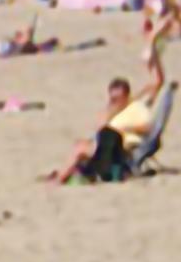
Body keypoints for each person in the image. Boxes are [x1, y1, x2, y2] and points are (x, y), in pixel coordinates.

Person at [47, 46, 166, 183]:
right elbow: (99, 128)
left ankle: (58, 180)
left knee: (85, 147)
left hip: (124, 151)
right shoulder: (110, 113)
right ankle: (64, 175)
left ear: (126, 96)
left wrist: (153, 55)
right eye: (112, 99)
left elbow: (157, 85)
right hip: (107, 149)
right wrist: (112, 111)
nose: (114, 102)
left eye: (117, 98)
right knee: (81, 144)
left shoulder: (137, 106)